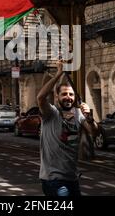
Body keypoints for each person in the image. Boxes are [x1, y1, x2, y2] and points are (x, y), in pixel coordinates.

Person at [37, 60, 99, 196]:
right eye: (64, 94)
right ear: (57, 96)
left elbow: (93, 132)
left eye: (71, 94)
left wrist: (89, 117)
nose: (68, 97)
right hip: (54, 179)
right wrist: (58, 75)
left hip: (72, 178)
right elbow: (41, 97)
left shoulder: (78, 114)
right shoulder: (51, 113)